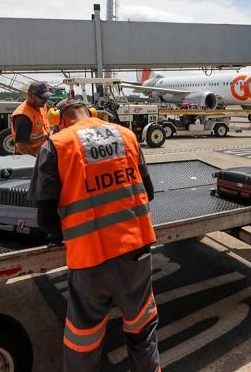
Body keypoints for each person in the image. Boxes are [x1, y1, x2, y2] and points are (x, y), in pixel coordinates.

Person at [28, 98, 160, 372]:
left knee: (83, 343)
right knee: (142, 330)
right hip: (136, 252)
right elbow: (148, 192)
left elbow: (46, 221)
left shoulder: (56, 145)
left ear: (58, 119)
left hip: (90, 259)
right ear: (92, 112)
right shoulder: (126, 135)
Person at [11, 81, 52, 156]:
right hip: (28, 157)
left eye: (46, 97)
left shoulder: (42, 105)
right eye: (41, 97)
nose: (45, 100)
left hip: (41, 153)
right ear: (30, 95)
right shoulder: (23, 117)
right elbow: (22, 147)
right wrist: (37, 160)